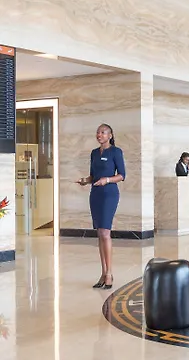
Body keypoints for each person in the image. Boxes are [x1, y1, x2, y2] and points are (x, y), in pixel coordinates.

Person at [76, 123, 125, 290]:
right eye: (98, 132)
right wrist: (85, 180)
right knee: (99, 233)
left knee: (105, 232)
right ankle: (103, 273)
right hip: (95, 194)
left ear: (110, 135)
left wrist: (107, 180)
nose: (99, 135)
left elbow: (122, 175)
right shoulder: (94, 153)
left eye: (103, 132)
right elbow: (93, 175)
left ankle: (109, 273)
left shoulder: (116, 152)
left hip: (109, 194)